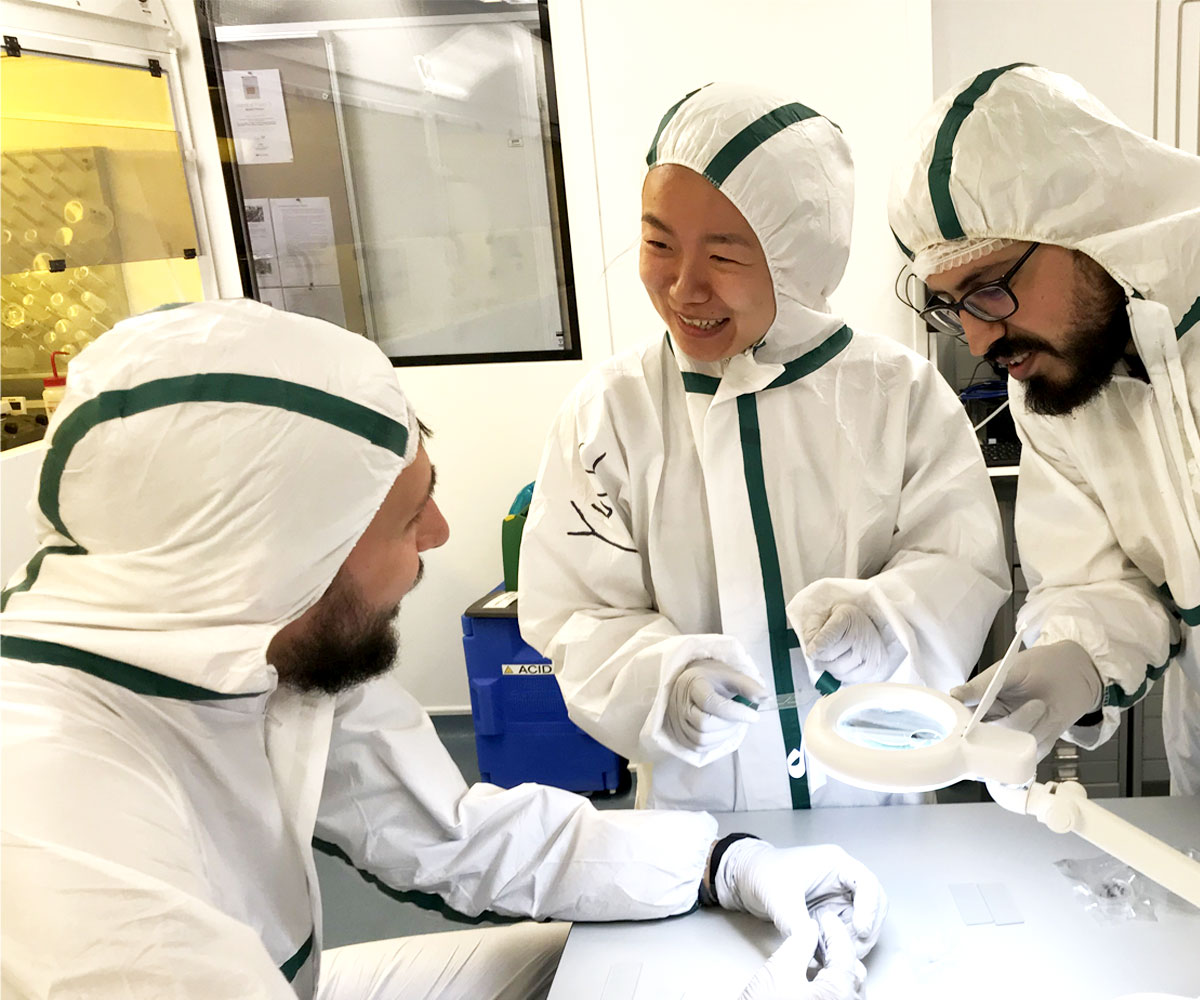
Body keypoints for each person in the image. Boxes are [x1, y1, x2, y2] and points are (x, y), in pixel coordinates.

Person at [0, 300, 886, 1000]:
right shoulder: (57, 822)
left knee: (624, 966)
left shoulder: (254, 646)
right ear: (276, 562)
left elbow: (446, 832)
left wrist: (722, 863)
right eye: (403, 516)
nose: (441, 531)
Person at [518, 82, 1010, 813]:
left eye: (724, 255)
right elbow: (577, 610)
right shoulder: (610, 413)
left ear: (795, 259)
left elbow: (960, 562)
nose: (684, 287)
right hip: (706, 825)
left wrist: (890, 617)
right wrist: (664, 680)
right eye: (658, 243)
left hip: (875, 797)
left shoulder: (898, 395)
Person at [887, 63, 1200, 791]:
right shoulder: (1059, 388)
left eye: (989, 287)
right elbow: (1108, 581)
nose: (977, 340)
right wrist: (1073, 658)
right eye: (949, 304)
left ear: (1093, 231)